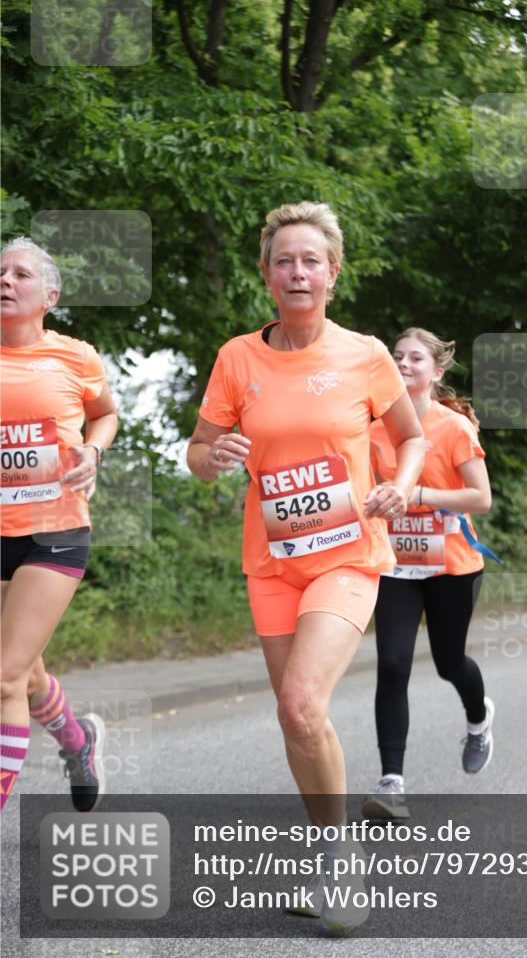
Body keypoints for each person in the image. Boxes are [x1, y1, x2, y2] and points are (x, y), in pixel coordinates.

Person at [187, 202, 424, 933]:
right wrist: (213, 456)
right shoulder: (237, 359)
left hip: (348, 554)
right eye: (283, 260)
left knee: (299, 703)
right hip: (272, 563)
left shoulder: (365, 355)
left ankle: (342, 865)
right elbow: (198, 453)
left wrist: (404, 483)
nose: (297, 271)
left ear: (332, 273)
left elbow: (409, 437)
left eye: (310, 260)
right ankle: (330, 848)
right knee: (297, 723)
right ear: (265, 274)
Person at [1, 237, 118, 813]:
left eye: (19, 274)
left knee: (3, 677)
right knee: (23, 673)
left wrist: (93, 453)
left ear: (49, 295)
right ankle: (78, 741)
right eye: (0, 271)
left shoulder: (75, 356)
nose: (4, 280)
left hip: (54, 530)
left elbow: (106, 413)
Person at [362, 327, 494, 821]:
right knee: (393, 664)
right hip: (395, 562)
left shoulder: (453, 427)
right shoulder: (373, 429)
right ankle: (391, 781)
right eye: (396, 356)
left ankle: (479, 720)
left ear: (436, 372)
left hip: (452, 565)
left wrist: (417, 496)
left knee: (448, 662)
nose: (402, 363)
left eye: (415, 357)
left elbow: (480, 498)